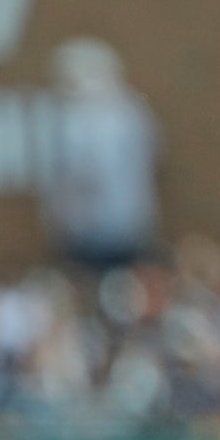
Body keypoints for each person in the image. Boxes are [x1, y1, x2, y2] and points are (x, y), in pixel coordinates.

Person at [38, 35, 161, 277]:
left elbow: (83, 173)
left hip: (100, 228)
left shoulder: (89, 120)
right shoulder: (132, 112)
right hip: (120, 225)